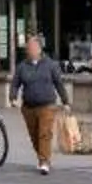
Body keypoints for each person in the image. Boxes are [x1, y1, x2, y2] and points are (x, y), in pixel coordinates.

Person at [10, 35, 68, 176]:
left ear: (39, 49)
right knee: (34, 134)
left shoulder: (51, 65)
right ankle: (42, 156)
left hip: (46, 104)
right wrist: (13, 97)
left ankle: (44, 161)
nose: (28, 50)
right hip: (28, 106)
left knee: (44, 133)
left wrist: (65, 101)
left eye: (31, 48)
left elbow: (58, 83)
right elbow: (15, 83)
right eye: (27, 48)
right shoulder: (22, 66)